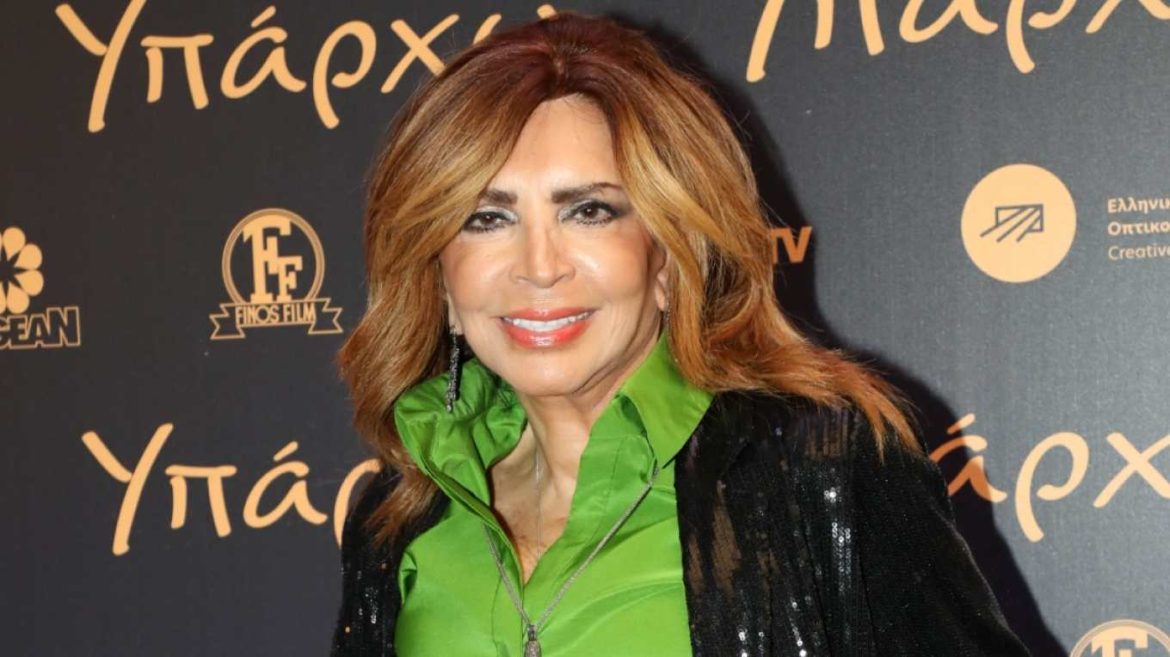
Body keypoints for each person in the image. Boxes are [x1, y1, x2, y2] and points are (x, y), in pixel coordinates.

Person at [331, 10, 1031, 657]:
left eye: (589, 211)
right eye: (487, 219)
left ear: (668, 255)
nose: (539, 267)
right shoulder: (400, 511)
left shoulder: (823, 471)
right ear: (440, 277)